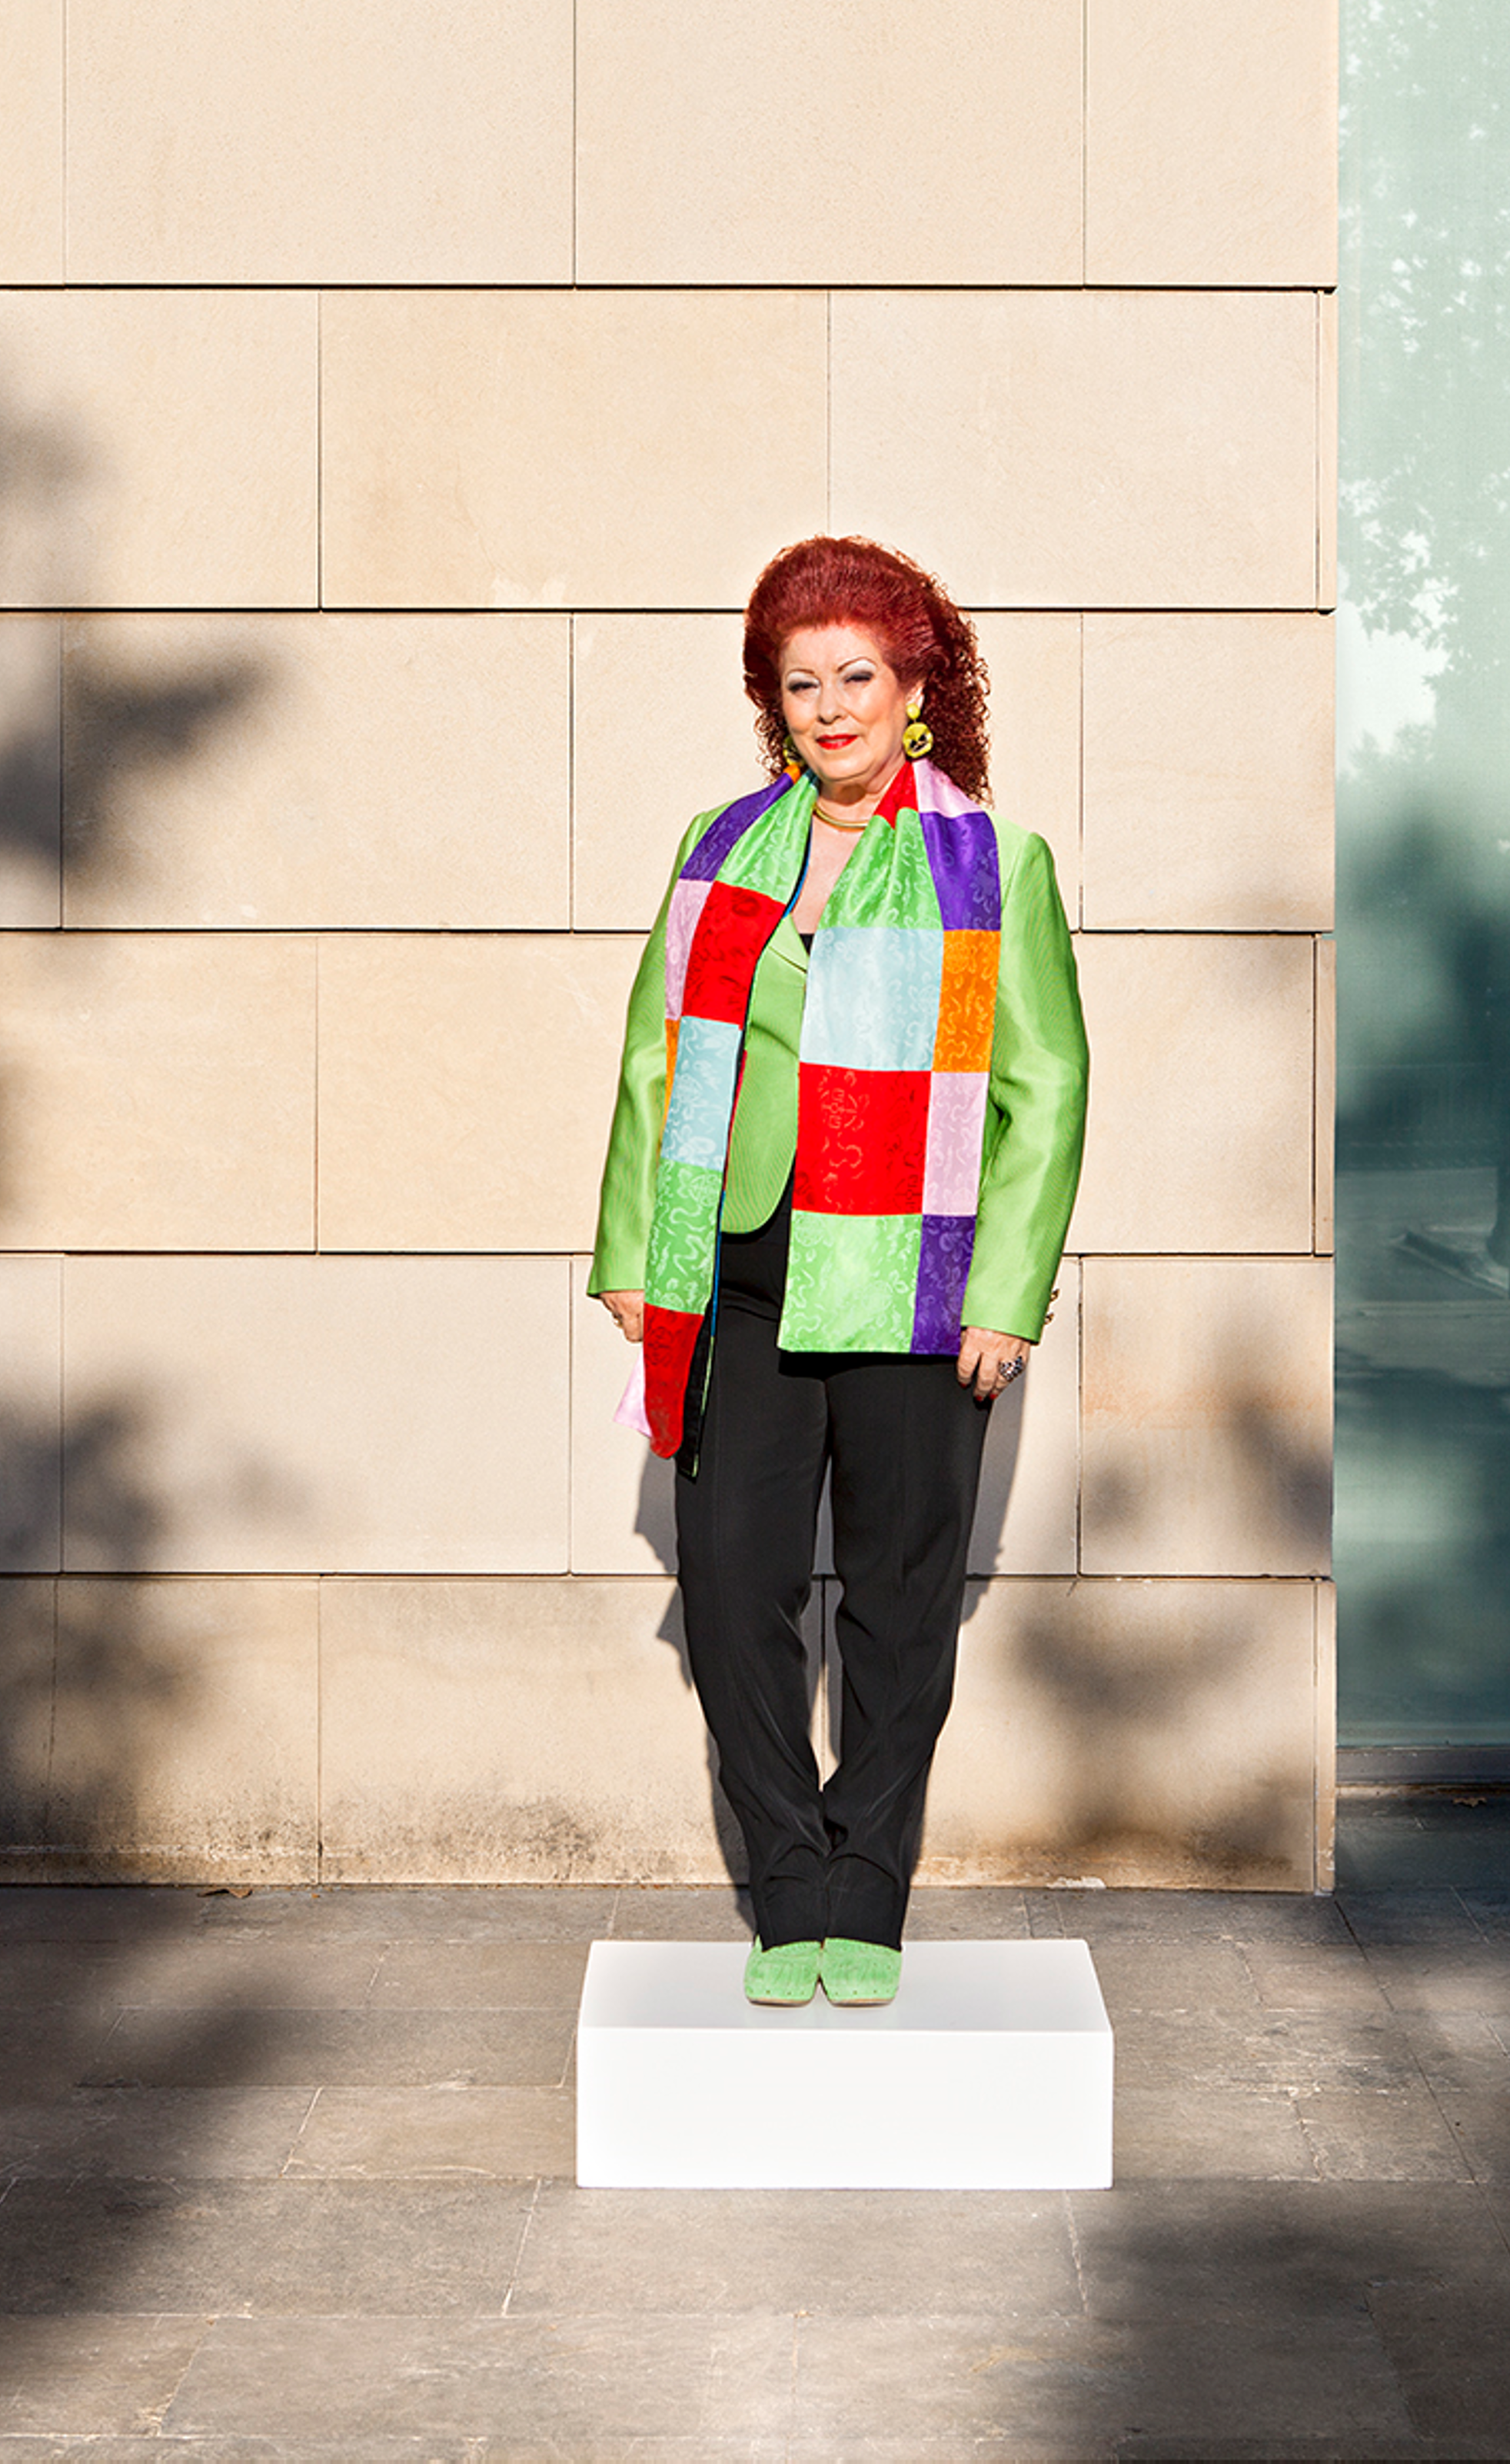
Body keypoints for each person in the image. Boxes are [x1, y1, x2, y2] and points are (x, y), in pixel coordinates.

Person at [589, 536, 1089, 2009]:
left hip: (916, 1289)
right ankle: (786, 1879)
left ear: (914, 679)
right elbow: (651, 1055)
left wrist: (1006, 1293)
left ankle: (866, 1882)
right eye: (800, 683)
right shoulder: (714, 846)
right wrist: (633, 1252)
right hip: (734, 1276)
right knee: (735, 1592)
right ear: (774, 702)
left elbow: (1044, 1091)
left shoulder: (991, 863)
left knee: (896, 1600)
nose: (830, 708)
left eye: (856, 675)